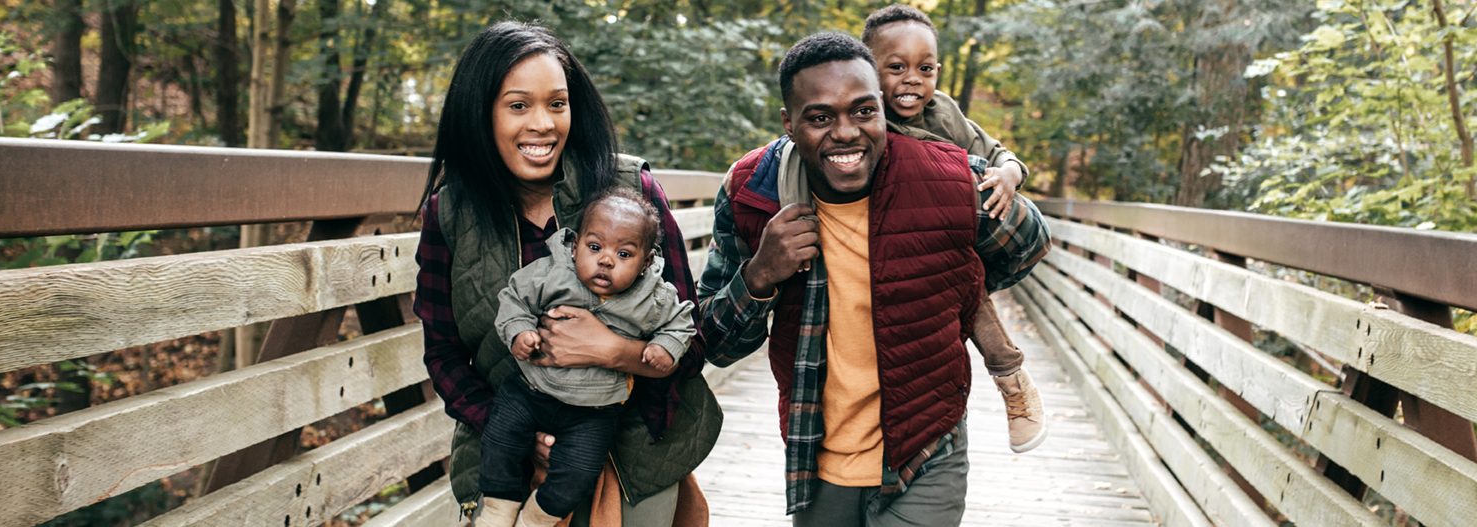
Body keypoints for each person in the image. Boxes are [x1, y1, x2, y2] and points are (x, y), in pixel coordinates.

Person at [696, 32, 1049, 525]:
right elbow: (714, 343)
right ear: (788, 124)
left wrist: (959, 281)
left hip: (928, 448)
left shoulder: (947, 177)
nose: (846, 132)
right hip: (816, 458)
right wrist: (759, 275)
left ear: (882, 108)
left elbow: (1031, 240)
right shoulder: (753, 191)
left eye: (864, 111)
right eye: (820, 117)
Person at [413, 21, 719, 527]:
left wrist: (613, 352)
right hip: (504, 459)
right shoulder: (450, 213)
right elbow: (443, 353)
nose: (544, 124)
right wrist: (517, 433)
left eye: (557, 104)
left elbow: (689, 335)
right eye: (518, 106)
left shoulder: (632, 191)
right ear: (480, 112)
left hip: (632, 452)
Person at [478, 189, 696, 526]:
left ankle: (537, 517)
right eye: (594, 248)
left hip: (594, 411)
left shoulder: (652, 297)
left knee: (579, 472)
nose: (606, 260)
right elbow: (513, 298)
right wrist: (520, 331)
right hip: (530, 390)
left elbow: (682, 323)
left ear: (646, 262)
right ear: (575, 244)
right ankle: (497, 506)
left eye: (624, 253)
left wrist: (665, 346)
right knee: (500, 441)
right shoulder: (552, 273)